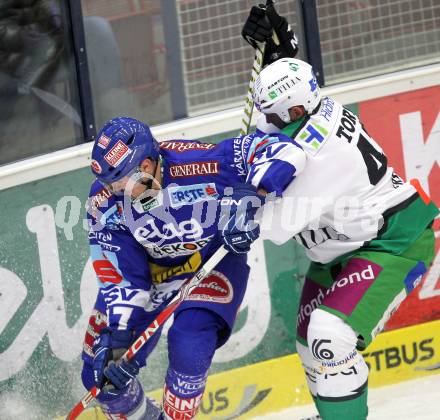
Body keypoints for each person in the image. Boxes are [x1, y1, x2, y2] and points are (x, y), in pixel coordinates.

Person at [240, 9, 439, 420]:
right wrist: (281, 46)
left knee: (329, 337)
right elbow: (276, 107)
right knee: (307, 342)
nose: (267, 123)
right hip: (344, 246)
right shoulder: (307, 108)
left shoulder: (320, 154)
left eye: (275, 117)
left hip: (390, 242)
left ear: (295, 114)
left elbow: (272, 225)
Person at [81, 104, 305, 419]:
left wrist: (253, 193)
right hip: (152, 275)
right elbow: (122, 276)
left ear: (146, 165)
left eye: (119, 183)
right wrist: (118, 335)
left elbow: (284, 149)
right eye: (108, 183)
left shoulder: (200, 164)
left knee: (189, 345)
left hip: (211, 261)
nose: (113, 192)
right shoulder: (103, 202)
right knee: (100, 378)